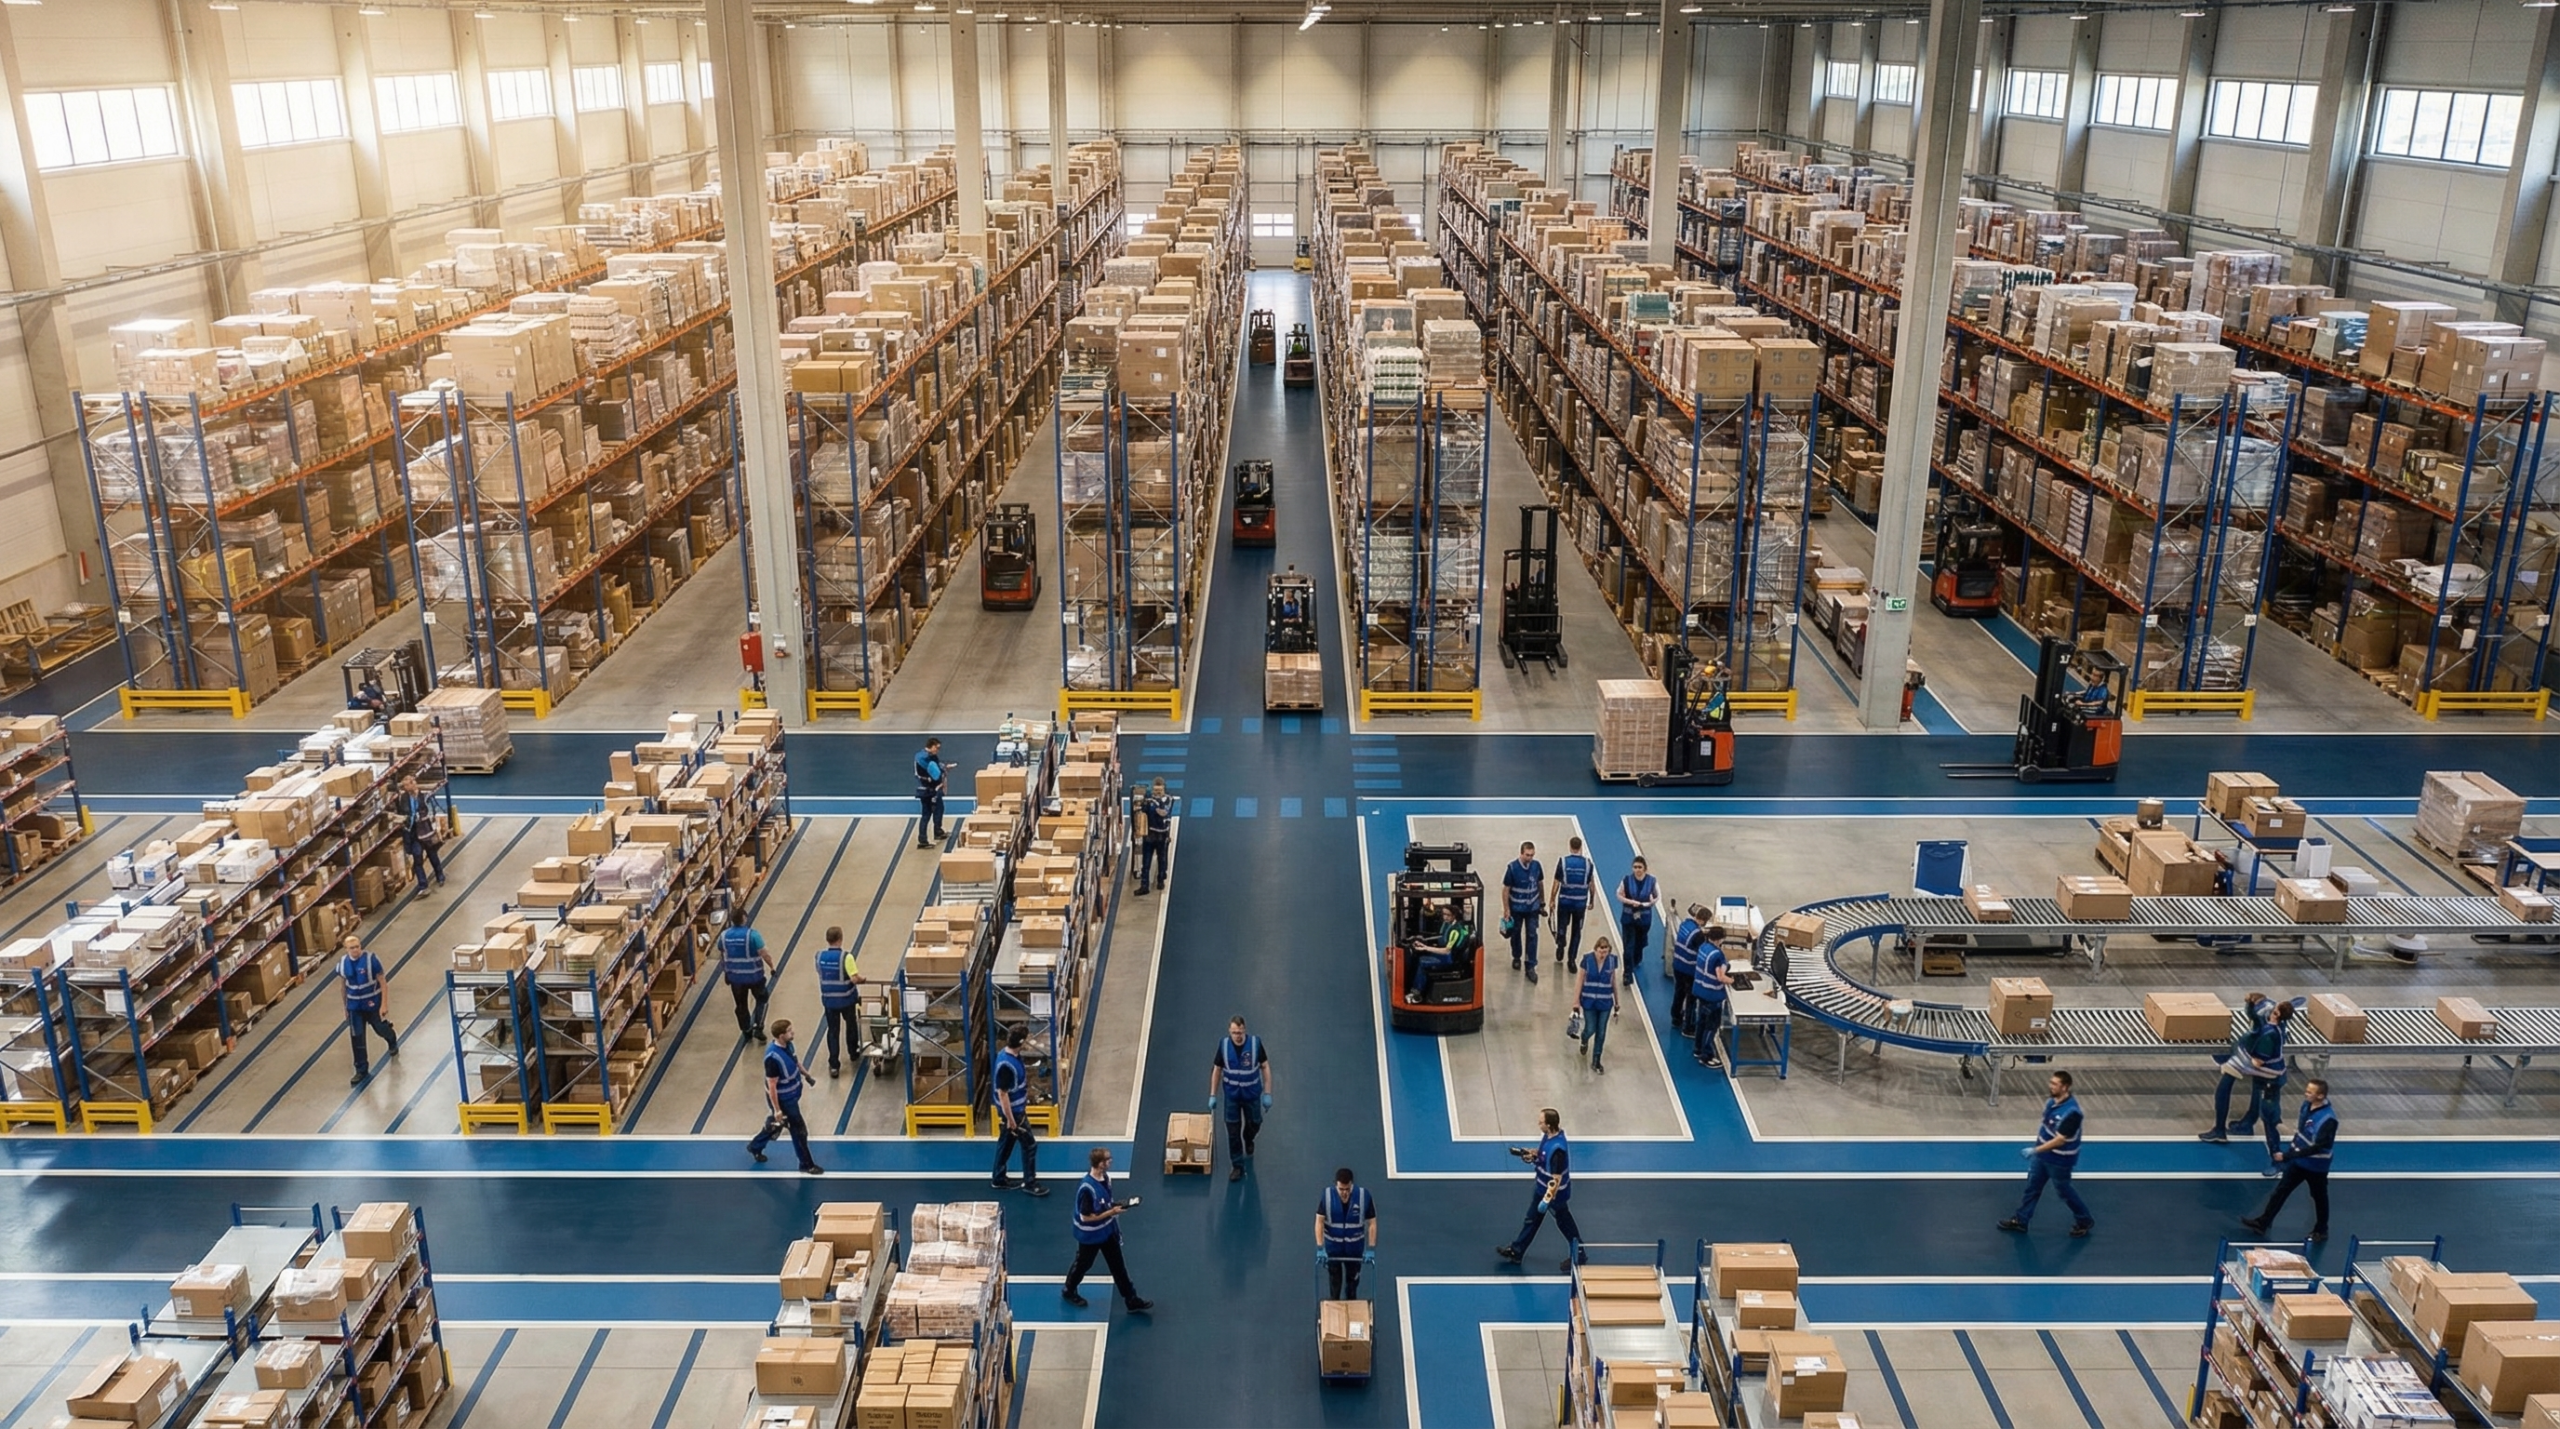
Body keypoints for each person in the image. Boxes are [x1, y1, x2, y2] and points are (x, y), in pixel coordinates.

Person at [1998, 1070, 2093, 1237]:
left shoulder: (2072, 1113)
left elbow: (2060, 1140)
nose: (2051, 1086)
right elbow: (2046, 1127)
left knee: (2064, 1191)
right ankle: (2021, 1220)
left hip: (2060, 1160)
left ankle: (2084, 1220)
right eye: (2051, 1082)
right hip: (2043, 1157)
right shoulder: (2051, 1103)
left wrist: (2035, 1150)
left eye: (2055, 1084)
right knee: (2032, 1188)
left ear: (2065, 1087)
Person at [2242, 1079, 2335, 1242]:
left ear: (2320, 1096)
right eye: (2306, 1090)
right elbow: (2302, 1133)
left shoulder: (2328, 1120)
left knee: (2319, 1197)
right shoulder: (2307, 1106)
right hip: (2300, 1162)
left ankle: (2322, 1229)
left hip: (2316, 1166)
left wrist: (2287, 1156)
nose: (2306, 1094)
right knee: (2281, 1191)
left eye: (2310, 1092)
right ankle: (2263, 1222)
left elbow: (2319, 1146)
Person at [2201, 1000, 2292, 1162]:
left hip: (2269, 1075)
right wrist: (2250, 1004)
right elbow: (2254, 1023)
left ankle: (2275, 1157)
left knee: (2270, 1118)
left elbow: (2258, 1061)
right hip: (2270, 1074)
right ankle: (2245, 1124)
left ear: (2275, 1014)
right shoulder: (2275, 1029)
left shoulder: (2268, 1034)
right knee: (2259, 1099)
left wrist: (2241, 1056)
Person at [1064, 1146, 1152, 1312]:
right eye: (1108, 1159)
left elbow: (1104, 1203)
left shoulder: (1105, 1179)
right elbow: (1086, 1217)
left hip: (1106, 1231)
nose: (1111, 1161)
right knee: (1084, 1264)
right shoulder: (1087, 1189)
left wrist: (1116, 1205)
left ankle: (1131, 1299)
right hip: (1090, 1236)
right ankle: (1069, 1290)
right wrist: (1112, 1212)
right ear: (1100, 1164)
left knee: (1118, 1266)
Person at [1495, 1108, 1578, 1272]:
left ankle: (1579, 1252)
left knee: (1565, 1223)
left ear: (1548, 1124)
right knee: (1531, 1220)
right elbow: (1543, 1155)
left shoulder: (1558, 1150)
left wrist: (1547, 1200)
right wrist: (1533, 1154)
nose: (1538, 1124)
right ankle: (1517, 1251)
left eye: (1541, 1122)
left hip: (1554, 1196)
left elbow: (1556, 1179)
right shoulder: (1549, 1137)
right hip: (1541, 1189)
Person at [746, 1019, 823, 1174]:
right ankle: (806, 1164)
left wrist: (806, 1075)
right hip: (784, 1100)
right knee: (799, 1130)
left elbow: (795, 1062)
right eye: (789, 1031)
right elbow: (772, 1085)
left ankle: (755, 1146)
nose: (792, 1032)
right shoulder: (773, 1059)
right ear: (781, 1036)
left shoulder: (788, 1045)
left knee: (777, 1124)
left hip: (792, 1096)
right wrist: (777, 1109)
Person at [1209, 1016, 1272, 1181]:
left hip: (1251, 1095)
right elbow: (1217, 1070)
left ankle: (1249, 1137)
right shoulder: (1223, 1046)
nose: (1237, 1035)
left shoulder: (1255, 1045)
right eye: (1234, 1032)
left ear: (1245, 1030)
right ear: (1230, 1031)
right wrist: (1213, 1095)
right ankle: (1237, 1165)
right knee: (1232, 1132)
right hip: (1232, 1097)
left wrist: (1267, 1093)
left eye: (1240, 1032)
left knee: (1255, 1122)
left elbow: (1265, 1067)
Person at [991, 1027, 1047, 1197]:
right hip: (1014, 1113)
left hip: (1015, 1110)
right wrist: (1010, 1120)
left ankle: (998, 1178)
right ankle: (1030, 1183)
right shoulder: (1007, 1066)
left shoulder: (1010, 1056)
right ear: (1021, 1042)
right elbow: (1003, 1093)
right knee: (1029, 1145)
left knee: (1006, 1142)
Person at [337, 934, 399, 1087]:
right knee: (357, 1038)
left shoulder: (372, 961)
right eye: (352, 948)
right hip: (354, 1007)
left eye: (357, 946)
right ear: (346, 949)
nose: (355, 950)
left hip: (372, 1004)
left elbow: (383, 983)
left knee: (380, 1028)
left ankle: (391, 1038)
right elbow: (343, 987)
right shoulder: (343, 964)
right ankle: (361, 1069)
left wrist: (384, 1004)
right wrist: (345, 1007)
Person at [1315, 1166, 1378, 1300]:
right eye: (1341, 1189)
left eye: (1347, 1189)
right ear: (1336, 1185)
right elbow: (1319, 1222)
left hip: (1354, 1251)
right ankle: (1335, 1307)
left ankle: (1352, 1306)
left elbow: (1372, 1223)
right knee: (1335, 1283)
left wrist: (1371, 1248)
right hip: (1333, 1250)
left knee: (1352, 1284)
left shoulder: (1363, 1197)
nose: (1344, 1193)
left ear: (1352, 1185)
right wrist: (1320, 1248)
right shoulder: (1327, 1197)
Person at [813, 925, 862, 1077]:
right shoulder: (846, 957)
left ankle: (834, 1064)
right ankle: (853, 1052)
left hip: (829, 1001)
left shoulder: (819, 957)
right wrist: (863, 979)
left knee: (833, 1031)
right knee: (851, 1025)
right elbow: (854, 978)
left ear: (827, 940)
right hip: (846, 1000)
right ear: (840, 939)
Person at [1403, 905, 1473, 1004]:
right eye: (1444, 914)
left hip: (1450, 959)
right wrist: (1423, 943)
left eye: (1448, 915)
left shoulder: (1455, 930)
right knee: (1418, 956)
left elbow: (1447, 951)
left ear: (1454, 916)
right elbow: (1440, 939)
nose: (1445, 917)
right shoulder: (1447, 925)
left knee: (1423, 962)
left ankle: (1417, 993)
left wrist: (1425, 948)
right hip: (1446, 955)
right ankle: (1412, 986)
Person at [719, 918, 773, 1042]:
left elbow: (722, 955)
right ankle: (758, 1027)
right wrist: (772, 966)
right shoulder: (753, 935)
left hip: (736, 978)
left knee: (741, 1005)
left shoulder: (723, 936)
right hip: (754, 977)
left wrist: (726, 972)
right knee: (762, 999)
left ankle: (746, 1030)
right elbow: (764, 953)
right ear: (744, 919)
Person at [1689, 923, 1734, 1070]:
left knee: (1701, 1021)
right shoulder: (1718, 955)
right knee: (1711, 1025)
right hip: (1712, 995)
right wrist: (1733, 980)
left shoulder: (1703, 947)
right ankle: (1706, 1056)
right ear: (1720, 939)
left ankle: (1697, 1049)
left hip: (1699, 990)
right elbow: (1720, 977)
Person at [1502, 842, 1545, 982]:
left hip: (1532, 908)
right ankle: (1516, 956)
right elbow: (1506, 889)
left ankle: (1530, 965)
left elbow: (1540, 884)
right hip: (1517, 909)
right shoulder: (1512, 868)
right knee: (1515, 933)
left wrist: (1542, 902)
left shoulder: (1536, 866)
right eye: (1527, 855)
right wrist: (1506, 909)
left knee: (1532, 935)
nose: (1530, 858)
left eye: (1532, 855)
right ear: (1521, 853)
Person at [1550, 838, 1596, 970]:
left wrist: (1552, 900)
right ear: (1581, 847)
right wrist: (1592, 900)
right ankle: (1571, 961)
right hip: (1580, 904)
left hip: (1564, 901)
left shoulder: (1563, 862)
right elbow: (1591, 884)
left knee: (1562, 926)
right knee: (1577, 931)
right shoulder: (1588, 864)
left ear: (1570, 846)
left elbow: (1556, 883)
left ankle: (1560, 943)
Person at [1577, 936, 1620, 1074]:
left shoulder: (1612, 962)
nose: (1603, 955)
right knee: (1590, 1028)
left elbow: (1613, 982)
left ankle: (1596, 1060)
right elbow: (1580, 981)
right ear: (1595, 949)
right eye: (1601, 951)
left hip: (1605, 1003)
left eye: (1605, 952)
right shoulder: (1587, 961)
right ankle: (1584, 1038)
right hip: (1589, 1002)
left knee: (1601, 1032)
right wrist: (1576, 1002)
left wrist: (1617, 1002)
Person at [398, 775, 446, 893]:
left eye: (407, 785)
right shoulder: (403, 798)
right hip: (413, 833)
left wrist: (435, 827)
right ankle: (423, 885)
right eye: (404, 786)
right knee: (417, 858)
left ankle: (440, 875)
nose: (406, 788)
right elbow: (403, 812)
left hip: (426, 831)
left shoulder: (425, 796)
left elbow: (432, 812)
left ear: (413, 784)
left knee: (432, 855)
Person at [1615, 858, 1658, 986]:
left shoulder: (1652, 881)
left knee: (1640, 942)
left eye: (1640, 867)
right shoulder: (1626, 881)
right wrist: (1630, 902)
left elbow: (1657, 897)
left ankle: (1637, 958)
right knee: (1628, 946)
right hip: (1629, 918)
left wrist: (1648, 902)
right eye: (1635, 867)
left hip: (1644, 919)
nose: (1637, 870)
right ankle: (1627, 974)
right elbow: (1618, 894)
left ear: (1645, 868)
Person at [1666, 910, 1704, 1037]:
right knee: (1691, 998)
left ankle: (1676, 1018)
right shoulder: (1698, 935)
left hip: (1678, 965)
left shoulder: (1685, 924)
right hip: (1689, 969)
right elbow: (1702, 950)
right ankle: (1688, 1027)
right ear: (1703, 920)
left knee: (1679, 992)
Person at [1134, 779, 1173, 895]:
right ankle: (1144, 885)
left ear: (1164, 789)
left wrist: (1152, 805)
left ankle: (1161, 880)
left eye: (1160, 790)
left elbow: (1163, 812)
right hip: (1150, 834)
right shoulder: (1149, 800)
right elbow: (1140, 811)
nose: (1157, 793)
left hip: (1162, 834)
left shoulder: (1169, 799)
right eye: (1155, 790)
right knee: (1146, 862)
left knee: (1162, 859)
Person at [913, 737, 947, 848]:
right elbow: (934, 772)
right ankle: (922, 840)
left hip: (933, 789)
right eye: (937, 748)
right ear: (931, 746)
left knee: (939, 809)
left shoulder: (928, 756)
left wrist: (944, 767)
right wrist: (942, 771)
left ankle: (938, 831)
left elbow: (937, 766)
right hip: (927, 790)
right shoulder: (923, 758)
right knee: (927, 814)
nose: (938, 750)